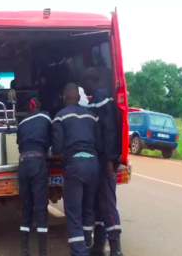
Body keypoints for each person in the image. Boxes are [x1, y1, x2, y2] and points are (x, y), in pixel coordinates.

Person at [51, 83, 102, 256]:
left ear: (64, 97)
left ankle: (79, 252)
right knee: (88, 208)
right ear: (79, 97)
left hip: (75, 166)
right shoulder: (92, 116)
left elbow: (56, 149)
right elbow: (100, 144)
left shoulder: (60, 117)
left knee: (73, 212)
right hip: (93, 164)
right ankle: (87, 244)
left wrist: (49, 151)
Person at [81, 67, 124, 256]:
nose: (82, 87)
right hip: (100, 159)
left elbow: (109, 131)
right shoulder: (99, 98)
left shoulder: (101, 98)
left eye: (83, 83)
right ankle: (99, 245)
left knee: (106, 203)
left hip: (105, 158)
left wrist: (109, 159)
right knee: (99, 203)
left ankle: (116, 249)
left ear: (91, 80)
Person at [16, 95, 52, 256]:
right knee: (40, 207)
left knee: (26, 206)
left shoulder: (21, 123)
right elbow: (52, 138)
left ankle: (24, 251)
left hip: (23, 164)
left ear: (27, 108)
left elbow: (19, 144)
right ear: (39, 105)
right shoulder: (46, 116)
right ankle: (42, 253)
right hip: (38, 163)